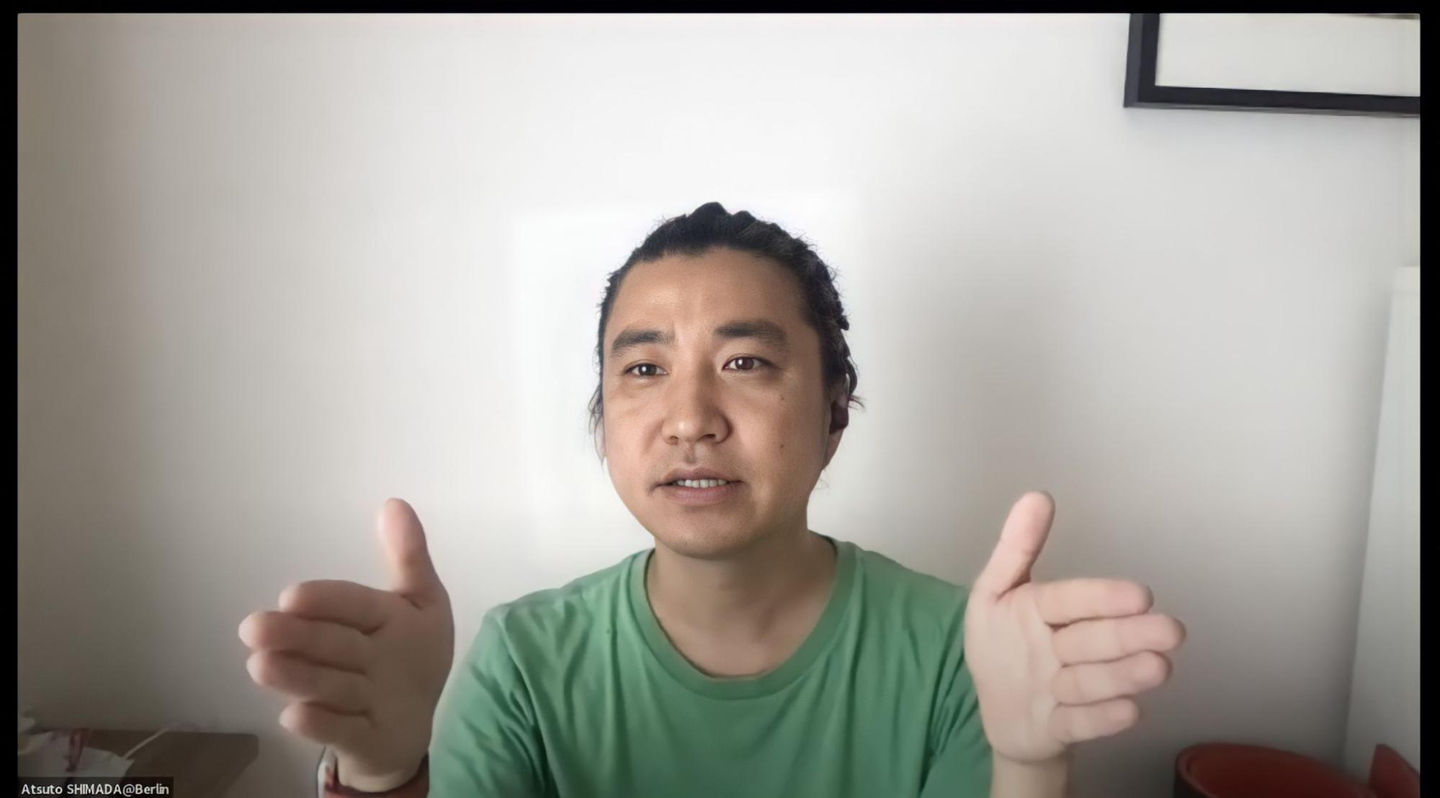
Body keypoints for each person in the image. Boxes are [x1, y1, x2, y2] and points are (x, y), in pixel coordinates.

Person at [239, 203, 1186, 797]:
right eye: (644, 369)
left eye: (745, 363)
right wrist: (384, 776)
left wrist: (1028, 768)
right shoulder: (522, 663)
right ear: (603, 420)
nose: (690, 418)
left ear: (834, 412)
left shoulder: (962, 654)